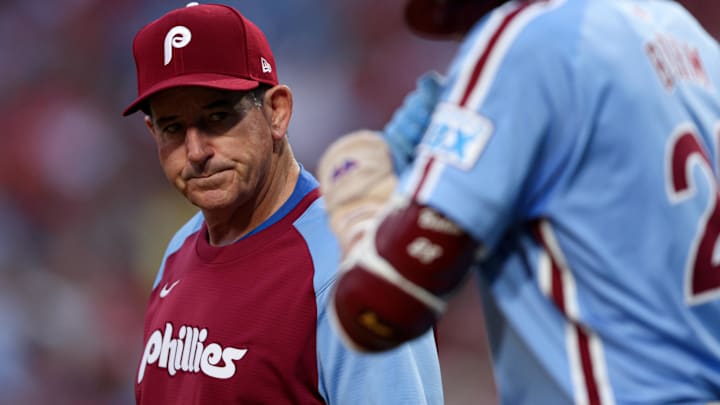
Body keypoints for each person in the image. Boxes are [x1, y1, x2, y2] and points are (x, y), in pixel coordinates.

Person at [319, 0, 720, 402]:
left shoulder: (529, 35)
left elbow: (376, 310)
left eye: (467, 25)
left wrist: (361, 208)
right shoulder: (690, 39)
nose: (466, 44)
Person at [121, 3, 444, 404]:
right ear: (153, 132)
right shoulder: (179, 250)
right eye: (173, 127)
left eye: (218, 117)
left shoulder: (353, 271)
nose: (196, 150)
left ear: (277, 111)